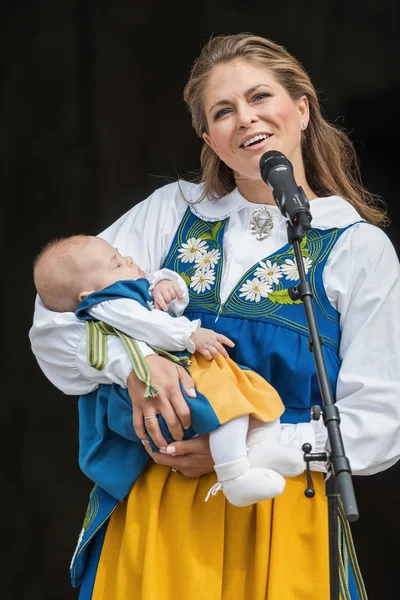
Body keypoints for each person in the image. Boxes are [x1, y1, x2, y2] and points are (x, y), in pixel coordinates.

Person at [29, 32, 400, 600]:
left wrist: (246, 448)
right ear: (210, 139)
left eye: (260, 97)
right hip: (156, 513)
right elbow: (55, 322)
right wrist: (136, 369)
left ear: (302, 109)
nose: (245, 119)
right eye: (223, 111)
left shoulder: (356, 248)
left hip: (279, 516)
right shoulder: (172, 212)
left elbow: (379, 421)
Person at [33, 233, 305, 507]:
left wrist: (165, 283)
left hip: (185, 367)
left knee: (251, 386)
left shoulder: (128, 290)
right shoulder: (109, 303)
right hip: (165, 379)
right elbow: (148, 324)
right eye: (116, 264)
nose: (128, 259)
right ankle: (234, 475)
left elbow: (165, 306)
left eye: (120, 253)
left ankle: (262, 448)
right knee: (225, 404)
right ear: (88, 294)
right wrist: (191, 334)